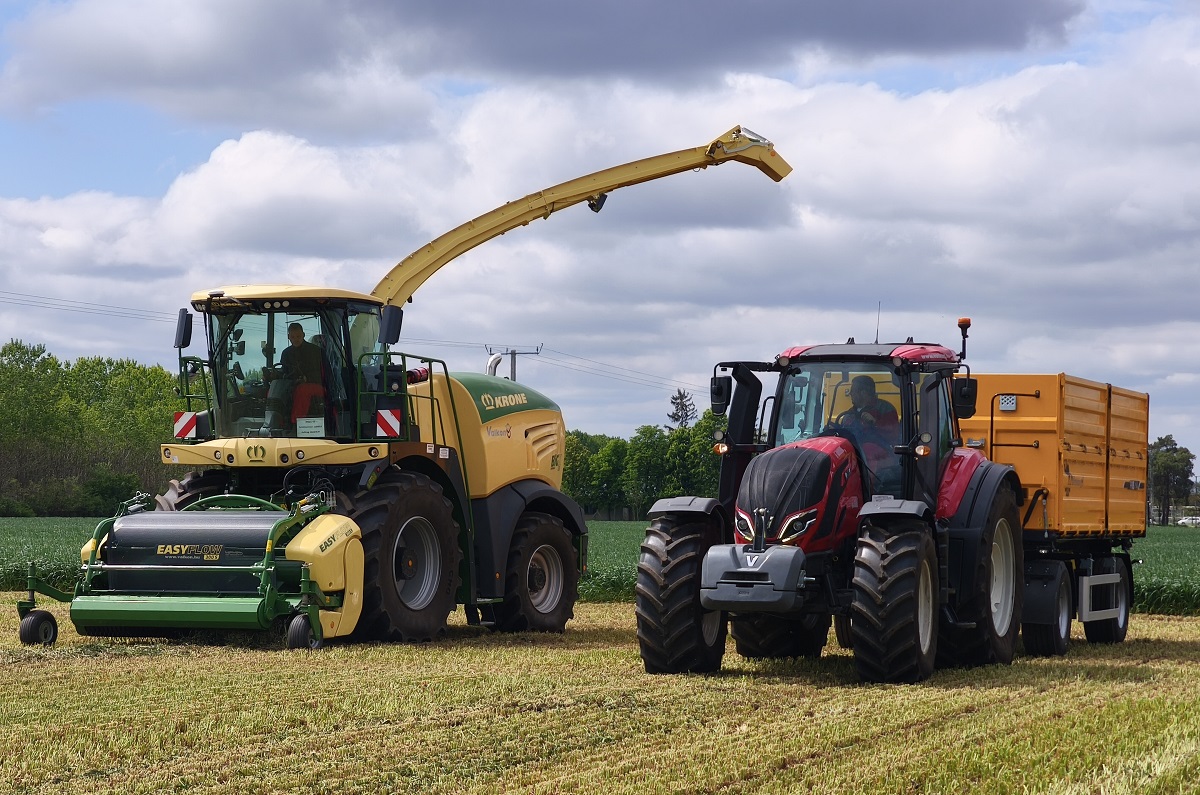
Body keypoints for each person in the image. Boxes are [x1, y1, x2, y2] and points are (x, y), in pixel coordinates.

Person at [837, 375, 900, 448]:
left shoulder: (885, 409)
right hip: (853, 452)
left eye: (853, 391)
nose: (850, 393)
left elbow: (893, 435)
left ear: (863, 393)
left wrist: (875, 423)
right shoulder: (850, 412)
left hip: (879, 455)